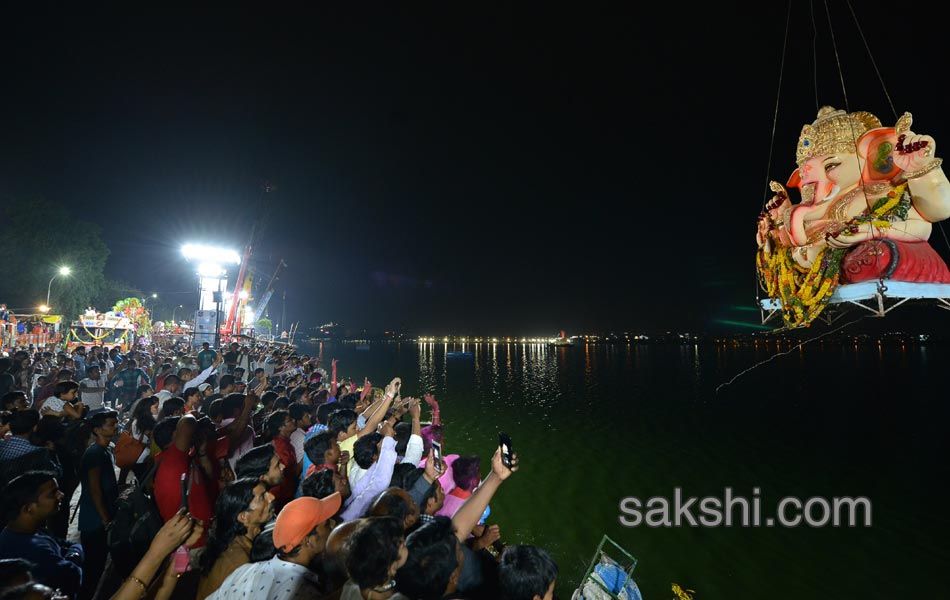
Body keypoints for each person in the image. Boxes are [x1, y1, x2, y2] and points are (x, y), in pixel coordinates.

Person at [757, 106, 950, 327]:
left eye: (831, 165)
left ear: (870, 157)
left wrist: (921, 169)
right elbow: (792, 243)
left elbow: (931, 217)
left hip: (859, 257)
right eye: (803, 174)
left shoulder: (876, 192)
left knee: (875, 255)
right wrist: (776, 226)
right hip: (818, 271)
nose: (813, 179)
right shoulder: (818, 209)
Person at [205, 493, 342, 600]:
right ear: (308, 542)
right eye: (327, 524)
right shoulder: (304, 593)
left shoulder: (246, 571)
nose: (334, 523)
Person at [0, 472, 83, 599]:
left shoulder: (28, 531)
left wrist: (71, 552)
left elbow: (67, 544)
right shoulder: (34, 549)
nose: (61, 495)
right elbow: (74, 575)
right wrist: (76, 553)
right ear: (28, 508)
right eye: (52, 493)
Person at [196, 479, 275, 600]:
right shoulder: (240, 564)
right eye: (262, 497)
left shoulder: (229, 542)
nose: (272, 497)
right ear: (244, 517)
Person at [76, 409, 119, 600]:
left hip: (100, 514)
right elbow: (94, 490)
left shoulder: (104, 450)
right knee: (94, 567)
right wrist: (105, 519)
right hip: (94, 519)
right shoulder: (95, 453)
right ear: (97, 430)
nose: (116, 426)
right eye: (111, 424)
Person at [340, 516, 409, 600]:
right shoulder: (399, 597)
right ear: (391, 568)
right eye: (402, 544)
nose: (406, 542)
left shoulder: (351, 586)